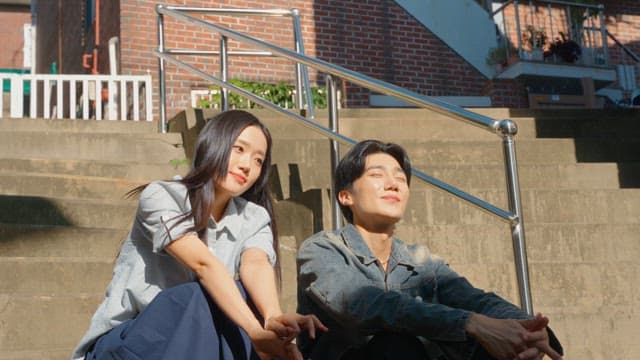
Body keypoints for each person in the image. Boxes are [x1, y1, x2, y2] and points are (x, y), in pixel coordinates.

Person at [72, 110, 326, 360]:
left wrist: (272, 318)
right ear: (214, 144)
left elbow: (257, 263)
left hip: (194, 343)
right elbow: (204, 265)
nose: (247, 165)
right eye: (239, 149)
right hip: (129, 343)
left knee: (239, 298)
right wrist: (254, 333)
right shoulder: (163, 195)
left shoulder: (254, 217)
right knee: (199, 296)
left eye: (259, 160)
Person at [296, 139, 563, 360]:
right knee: (396, 344)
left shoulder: (420, 260)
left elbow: (475, 299)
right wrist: (469, 323)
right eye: (377, 175)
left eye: (400, 178)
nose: (393, 184)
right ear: (346, 196)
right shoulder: (322, 249)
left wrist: (526, 327)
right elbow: (363, 304)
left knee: (515, 344)